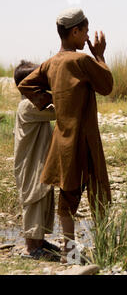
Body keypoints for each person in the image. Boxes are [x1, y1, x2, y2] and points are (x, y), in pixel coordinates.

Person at [18, 8, 114, 262]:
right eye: (85, 31)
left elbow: (25, 84)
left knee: (67, 196)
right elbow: (107, 86)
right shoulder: (81, 61)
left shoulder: (51, 63)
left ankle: (67, 252)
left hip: (63, 142)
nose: (87, 37)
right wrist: (100, 56)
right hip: (86, 141)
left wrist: (52, 102)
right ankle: (104, 248)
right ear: (74, 32)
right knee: (98, 194)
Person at [13, 60, 60, 261]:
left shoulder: (32, 104)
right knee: (34, 199)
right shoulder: (27, 106)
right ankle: (31, 248)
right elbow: (58, 113)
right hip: (30, 164)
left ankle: (39, 242)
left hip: (37, 161)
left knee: (42, 197)